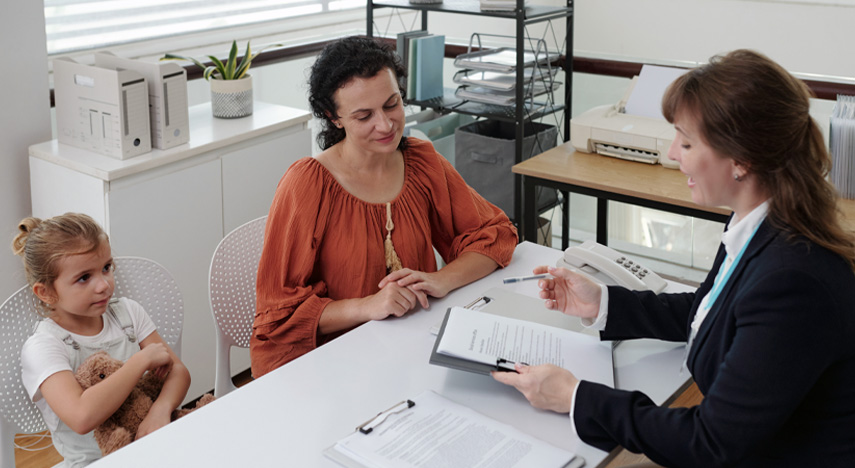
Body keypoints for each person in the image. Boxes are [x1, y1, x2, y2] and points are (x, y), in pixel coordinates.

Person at [493, 49, 855, 467]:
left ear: (741, 160)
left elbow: (710, 444)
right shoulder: (757, 224)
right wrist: (604, 302)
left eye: (685, 141)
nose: (670, 153)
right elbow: (713, 310)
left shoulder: (793, 281)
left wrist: (575, 396)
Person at [252, 36, 517, 377]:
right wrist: (367, 306)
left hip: (412, 349)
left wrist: (441, 279)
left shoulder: (422, 162)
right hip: (338, 365)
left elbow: (495, 236)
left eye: (391, 104)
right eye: (364, 116)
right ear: (334, 118)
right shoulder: (308, 185)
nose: (386, 124)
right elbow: (278, 315)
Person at [14, 213, 190, 468]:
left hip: (151, 446)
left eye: (107, 268)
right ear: (47, 292)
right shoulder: (43, 346)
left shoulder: (128, 312)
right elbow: (81, 417)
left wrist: (160, 410)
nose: (104, 285)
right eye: (84, 277)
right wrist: (140, 361)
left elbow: (179, 372)